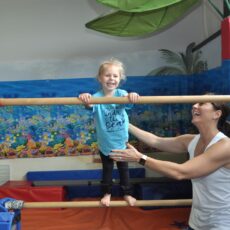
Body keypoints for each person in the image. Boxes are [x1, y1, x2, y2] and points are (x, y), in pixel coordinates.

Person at [110, 99, 230, 230]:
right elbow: (156, 141)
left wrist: (140, 158)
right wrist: (124, 123)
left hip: (222, 222)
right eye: (195, 103)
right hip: (197, 221)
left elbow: (181, 172)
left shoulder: (225, 146)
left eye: (201, 103)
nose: (194, 105)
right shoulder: (191, 140)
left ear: (216, 114)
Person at [79, 58, 139, 207]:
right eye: (107, 75)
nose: (111, 79)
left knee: (124, 170)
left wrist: (132, 96)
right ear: (100, 78)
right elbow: (89, 105)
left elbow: (129, 101)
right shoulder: (97, 97)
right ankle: (106, 193)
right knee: (107, 171)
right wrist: (85, 98)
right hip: (105, 143)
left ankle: (127, 193)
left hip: (121, 142)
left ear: (120, 79)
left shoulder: (122, 93)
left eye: (115, 76)